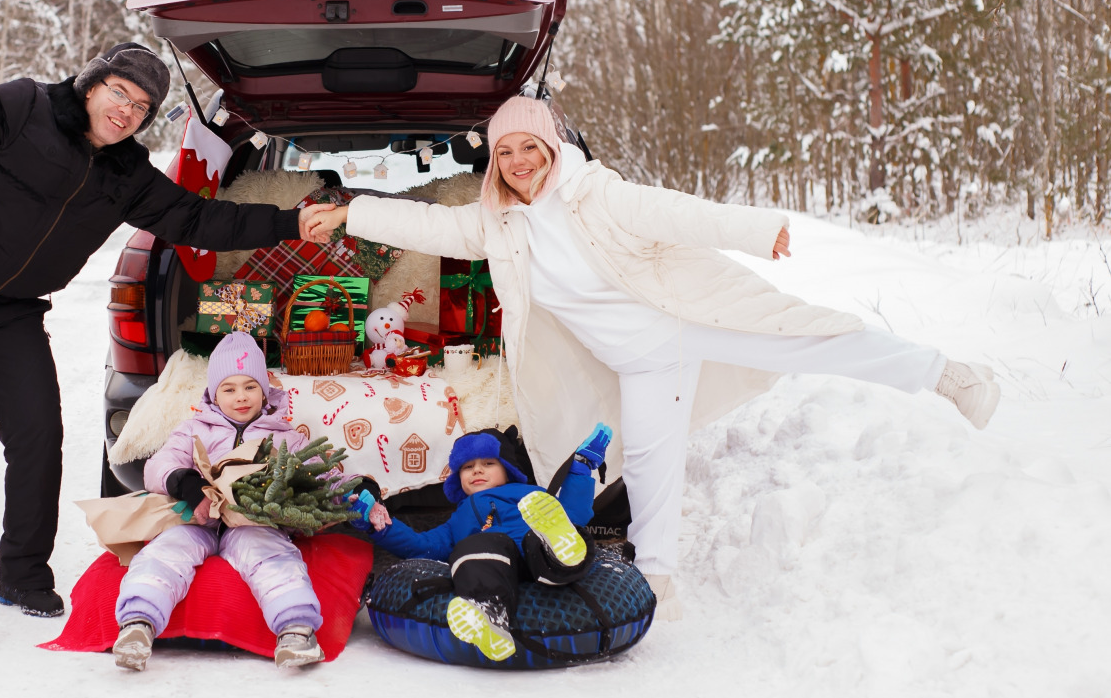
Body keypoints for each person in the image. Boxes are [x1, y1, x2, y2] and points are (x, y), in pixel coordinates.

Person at [302, 95, 1001, 621]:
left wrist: (759, 230)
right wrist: (350, 211)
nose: (518, 163)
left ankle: (948, 375)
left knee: (812, 337)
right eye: (505, 152)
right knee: (648, 463)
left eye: (529, 149)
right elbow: (430, 223)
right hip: (641, 363)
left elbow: (675, 211)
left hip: (688, 320)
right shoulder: (499, 220)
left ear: (550, 149)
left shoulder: (594, 193)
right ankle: (656, 580)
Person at [0, 45, 336, 634]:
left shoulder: (127, 176)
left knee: (38, 436)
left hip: (10, 312)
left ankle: (22, 575)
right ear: (92, 85)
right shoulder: (24, 107)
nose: (126, 111)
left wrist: (289, 222)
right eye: (119, 92)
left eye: (142, 107)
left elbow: (199, 219)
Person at [112, 332, 326, 670]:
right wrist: (185, 482)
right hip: (197, 517)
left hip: (253, 522)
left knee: (268, 554)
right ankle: (138, 625)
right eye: (229, 389)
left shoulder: (285, 436)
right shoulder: (195, 428)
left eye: (250, 387)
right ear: (214, 393)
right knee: (167, 550)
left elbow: (321, 472)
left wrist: (357, 490)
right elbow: (158, 466)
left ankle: (295, 629)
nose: (240, 397)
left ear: (264, 389)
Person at [357, 430, 608, 662]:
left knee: (550, 529)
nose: (477, 470)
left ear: (507, 470)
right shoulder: (458, 520)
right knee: (473, 548)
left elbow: (574, 512)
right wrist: (379, 524)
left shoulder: (532, 494)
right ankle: (489, 615)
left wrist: (580, 469)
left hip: (538, 552)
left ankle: (561, 551)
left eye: (488, 463)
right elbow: (423, 546)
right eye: (468, 467)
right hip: (499, 561)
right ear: (458, 478)